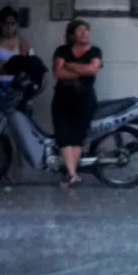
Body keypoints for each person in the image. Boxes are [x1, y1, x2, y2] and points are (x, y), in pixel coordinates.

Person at [52, 19, 102, 187]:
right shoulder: (62, 50)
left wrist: (70, 65)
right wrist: (83, 71)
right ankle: (72, 174)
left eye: (86, 30)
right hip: (62, 98)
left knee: (77, 136)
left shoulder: (95, 51)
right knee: (63, 135)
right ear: (71, 35)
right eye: (80, 30)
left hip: (85, 99)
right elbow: (58, 72)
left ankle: (71, 174)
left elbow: (93, 69)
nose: (84, 33)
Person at [0, 6, 30, 109]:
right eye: (6, 24)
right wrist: (14, 65)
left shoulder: (22, 43)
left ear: (16, 25)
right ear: (0, 24)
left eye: (12, 24)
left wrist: (3, 64)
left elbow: (23, 68)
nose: (9, 28)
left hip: (16, 86)